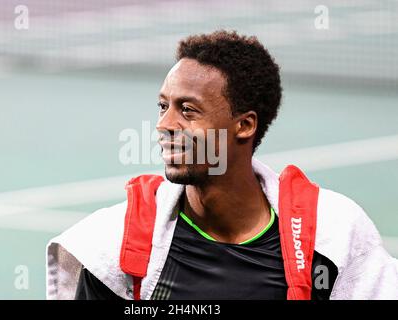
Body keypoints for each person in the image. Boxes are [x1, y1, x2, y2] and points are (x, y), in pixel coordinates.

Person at [46, 30, 398, 300]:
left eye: (188, 110)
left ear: (244, 125)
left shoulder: (331, 234)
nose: (165, 125)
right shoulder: (116, 245)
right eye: (162, 106)